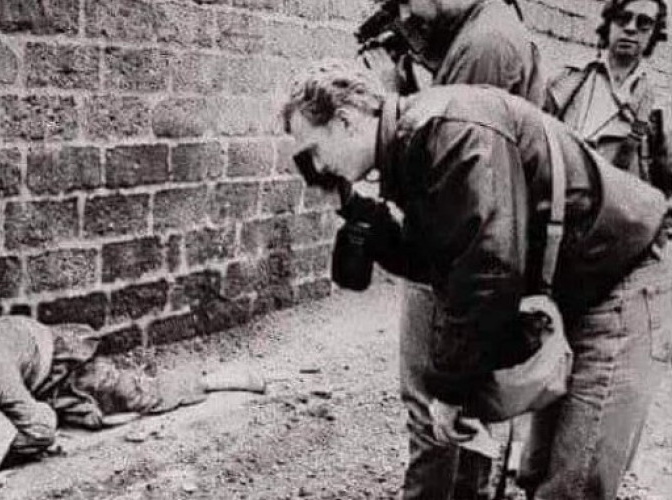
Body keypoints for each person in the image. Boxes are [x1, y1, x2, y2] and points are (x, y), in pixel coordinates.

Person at [282, 60, 672, 500]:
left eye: (314, 151)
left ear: (345, 121)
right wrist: (369, 223)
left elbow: (489, 270)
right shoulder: (414, 147)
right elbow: (446, 262)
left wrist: (451, 391)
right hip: (580, 283)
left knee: (575, 483)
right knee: (539, 470)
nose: (316, 167)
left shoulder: (450, 132)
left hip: (624, 273)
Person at [352, 0, 545, 497]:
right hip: (472, 241)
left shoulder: (486, 44)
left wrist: (391, 96)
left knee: (431, 406)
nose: (404, 12)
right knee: (467, 404)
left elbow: (445, 158)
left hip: (457, 249)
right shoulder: (486, 30)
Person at [0, 315, 266, 456]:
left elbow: (41, 429)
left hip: (60, 364)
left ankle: (211, 379)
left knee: (132, 395)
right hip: (22, 373)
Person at [544, 0, 672, 195]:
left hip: (618, 208)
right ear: (609, 23)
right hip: (556, 201)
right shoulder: (568, 80)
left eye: (643, 23)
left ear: (654, 33)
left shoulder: (658, 109)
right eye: (623, 18)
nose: (630, 28)